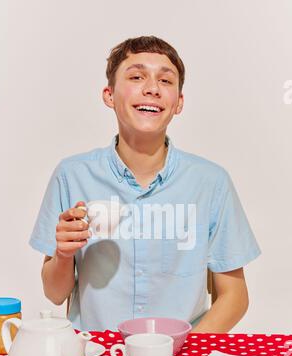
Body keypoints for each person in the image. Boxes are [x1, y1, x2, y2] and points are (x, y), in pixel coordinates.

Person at [29, 35, 261, 333]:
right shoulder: (72, 176)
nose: (152, 88)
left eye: (165, 81)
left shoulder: (211, 183)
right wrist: (63, 254)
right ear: (109, 95)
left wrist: (181, 352)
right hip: (94, 351)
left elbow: (234, 297)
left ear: (179, 102)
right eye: (137, 77)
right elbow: (55, 293)